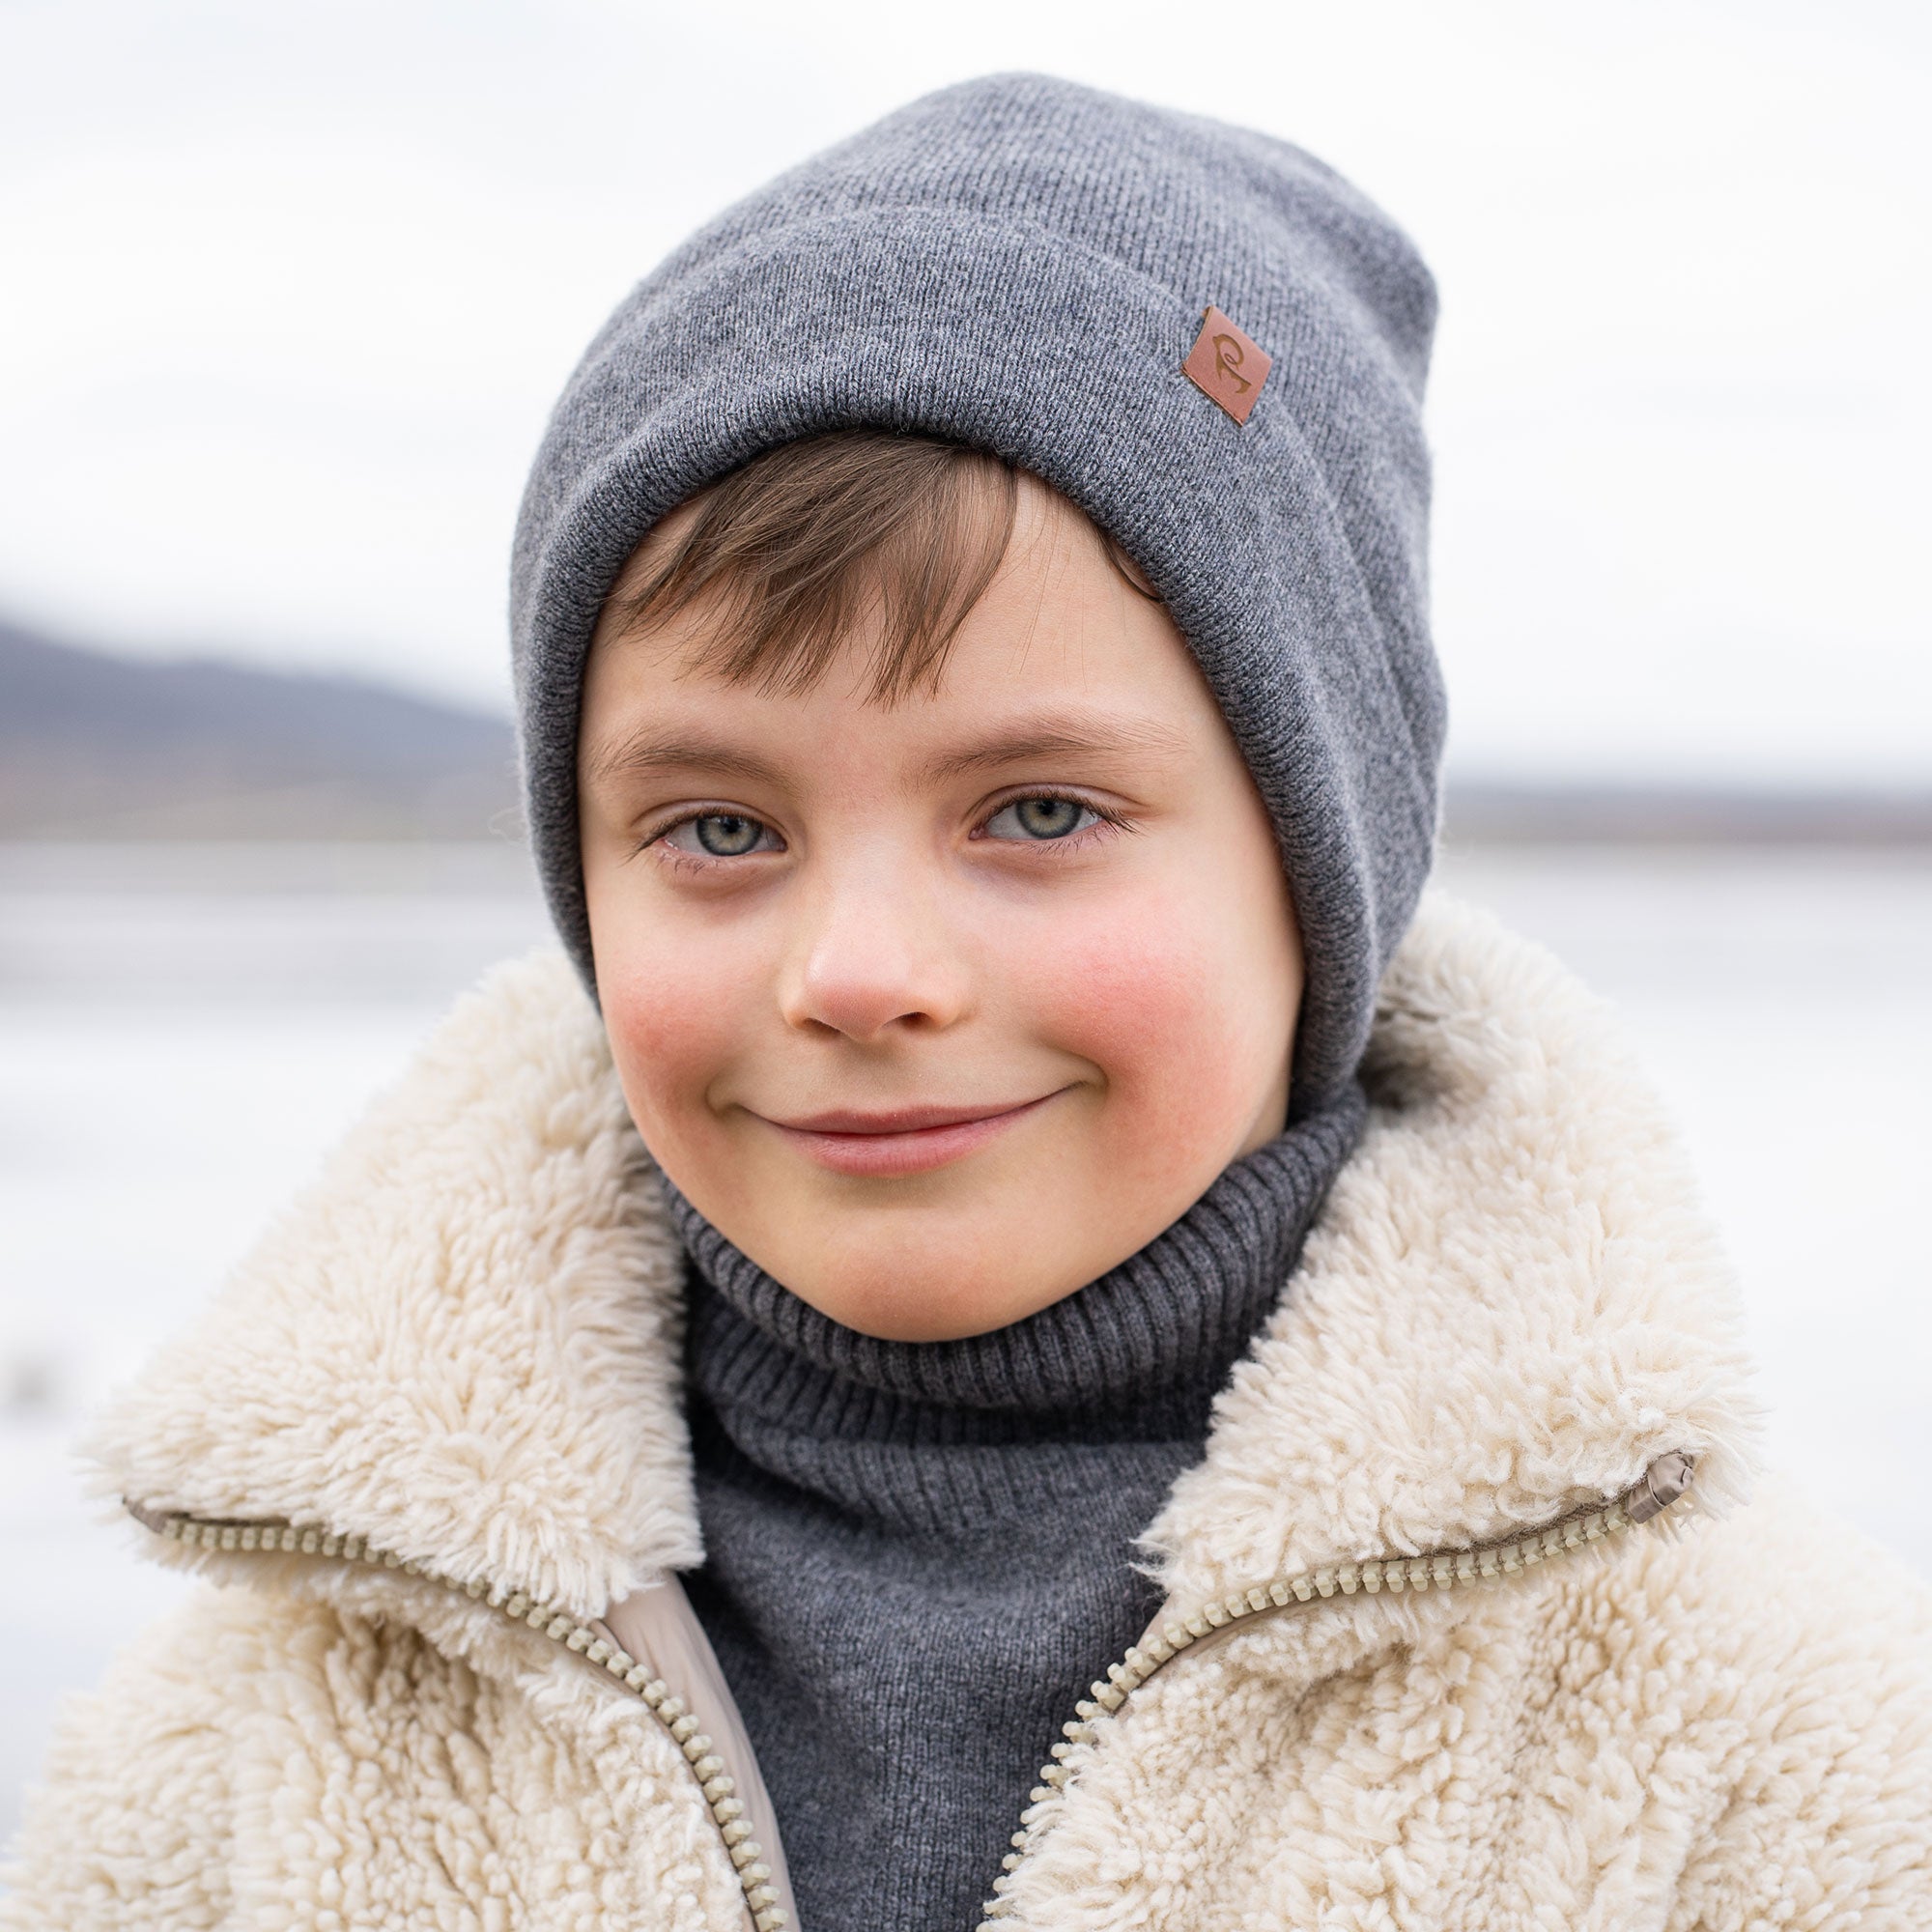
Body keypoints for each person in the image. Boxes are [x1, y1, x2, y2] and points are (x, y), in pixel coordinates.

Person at [7, 72, 1929, 1932]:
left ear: (1323, 862)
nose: (859, 973)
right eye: (719, 828)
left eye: (1038, 812)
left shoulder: (1773, 1747)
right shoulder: (254, 1739)